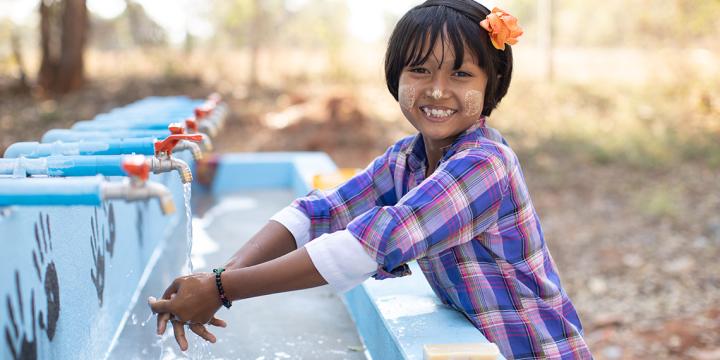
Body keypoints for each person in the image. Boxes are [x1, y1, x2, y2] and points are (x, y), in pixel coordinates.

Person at [149, 1, 592, 358]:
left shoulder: (485, 165)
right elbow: (318, 212)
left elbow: (366, 246)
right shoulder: (406, 159)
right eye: (419, 70)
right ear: (395, 78)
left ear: (492, 85)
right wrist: (220, 275)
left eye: (461, 74)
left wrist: (222, 290)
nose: (437, 90)